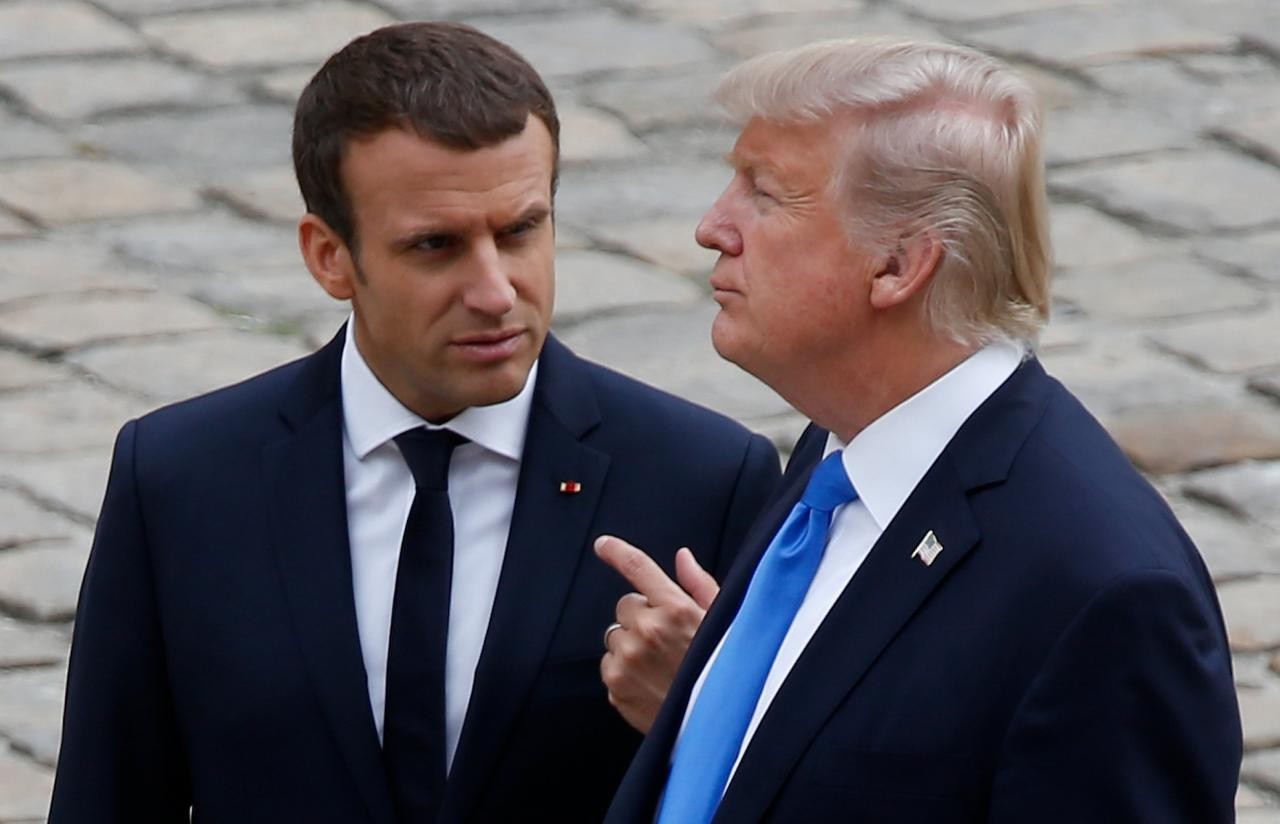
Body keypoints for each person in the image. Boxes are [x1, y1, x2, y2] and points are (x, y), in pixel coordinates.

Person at [48, 22, 780, 824]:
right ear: (330, 256)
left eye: (521, 230)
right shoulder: (182, 479)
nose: (496, 290)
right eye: (437, 246)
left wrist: (704, 717)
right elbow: (108, 793)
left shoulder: (702, 479)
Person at [600, 37, 1242, 823]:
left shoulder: (1105, 596)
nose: (712, 226)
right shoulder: (839, 447)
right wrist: (714, 704)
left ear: (897, 266)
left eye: (764, 194)